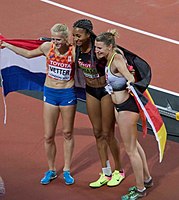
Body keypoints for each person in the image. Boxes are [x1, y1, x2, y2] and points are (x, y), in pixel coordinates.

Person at [1, 24, 77, 185]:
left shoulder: (73, 52)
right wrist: (7, 45)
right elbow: (28, 54)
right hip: (50, 93)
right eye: (54, 39)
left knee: (67, 133)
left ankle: (67, 170)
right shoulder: (46, 47)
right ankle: (51, 170)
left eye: (59, 40)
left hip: (67, 94)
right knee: (48, 136)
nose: (55, 42)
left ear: (66, 39)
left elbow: (90, 60)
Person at [95, 30, 153, 199]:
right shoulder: (113, 55)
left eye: (99, 48)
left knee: (131, 150)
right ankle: (147, 179)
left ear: (110, 47)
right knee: (134, 145)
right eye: (96, 47)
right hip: (119, 107)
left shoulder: (117, 59)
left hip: (127, 107)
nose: (96, 51)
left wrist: (129, 83)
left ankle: (140, 189)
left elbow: (131, 79)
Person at [72, 19, 125, 188]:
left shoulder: (99, 50)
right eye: (74, 35)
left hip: (105, 92)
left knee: (108, 133)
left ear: (89, 34)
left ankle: (119, 171)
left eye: (79, 35)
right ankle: (106, 171)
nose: (76, 39)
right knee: (97, 132)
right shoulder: (77, 50)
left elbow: (117, 56)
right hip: (90, 91)